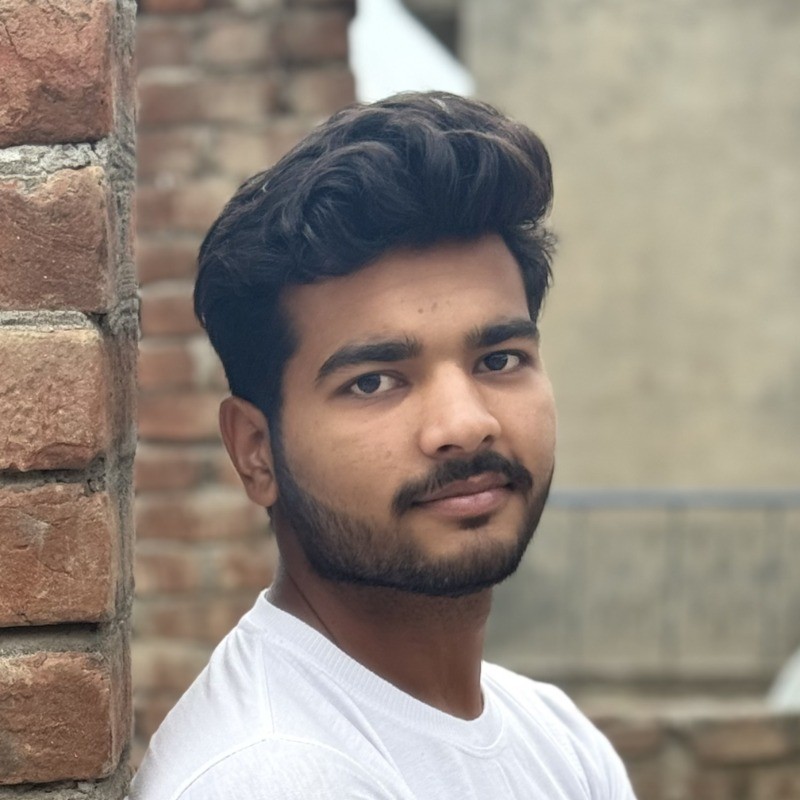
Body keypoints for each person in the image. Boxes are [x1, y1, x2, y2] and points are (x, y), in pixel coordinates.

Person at [130, 91, 636, 800]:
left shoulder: (559, 741)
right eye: (374, 382)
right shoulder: (271, 775)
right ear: (256, 452)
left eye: (499, 360)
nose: (465, 424)